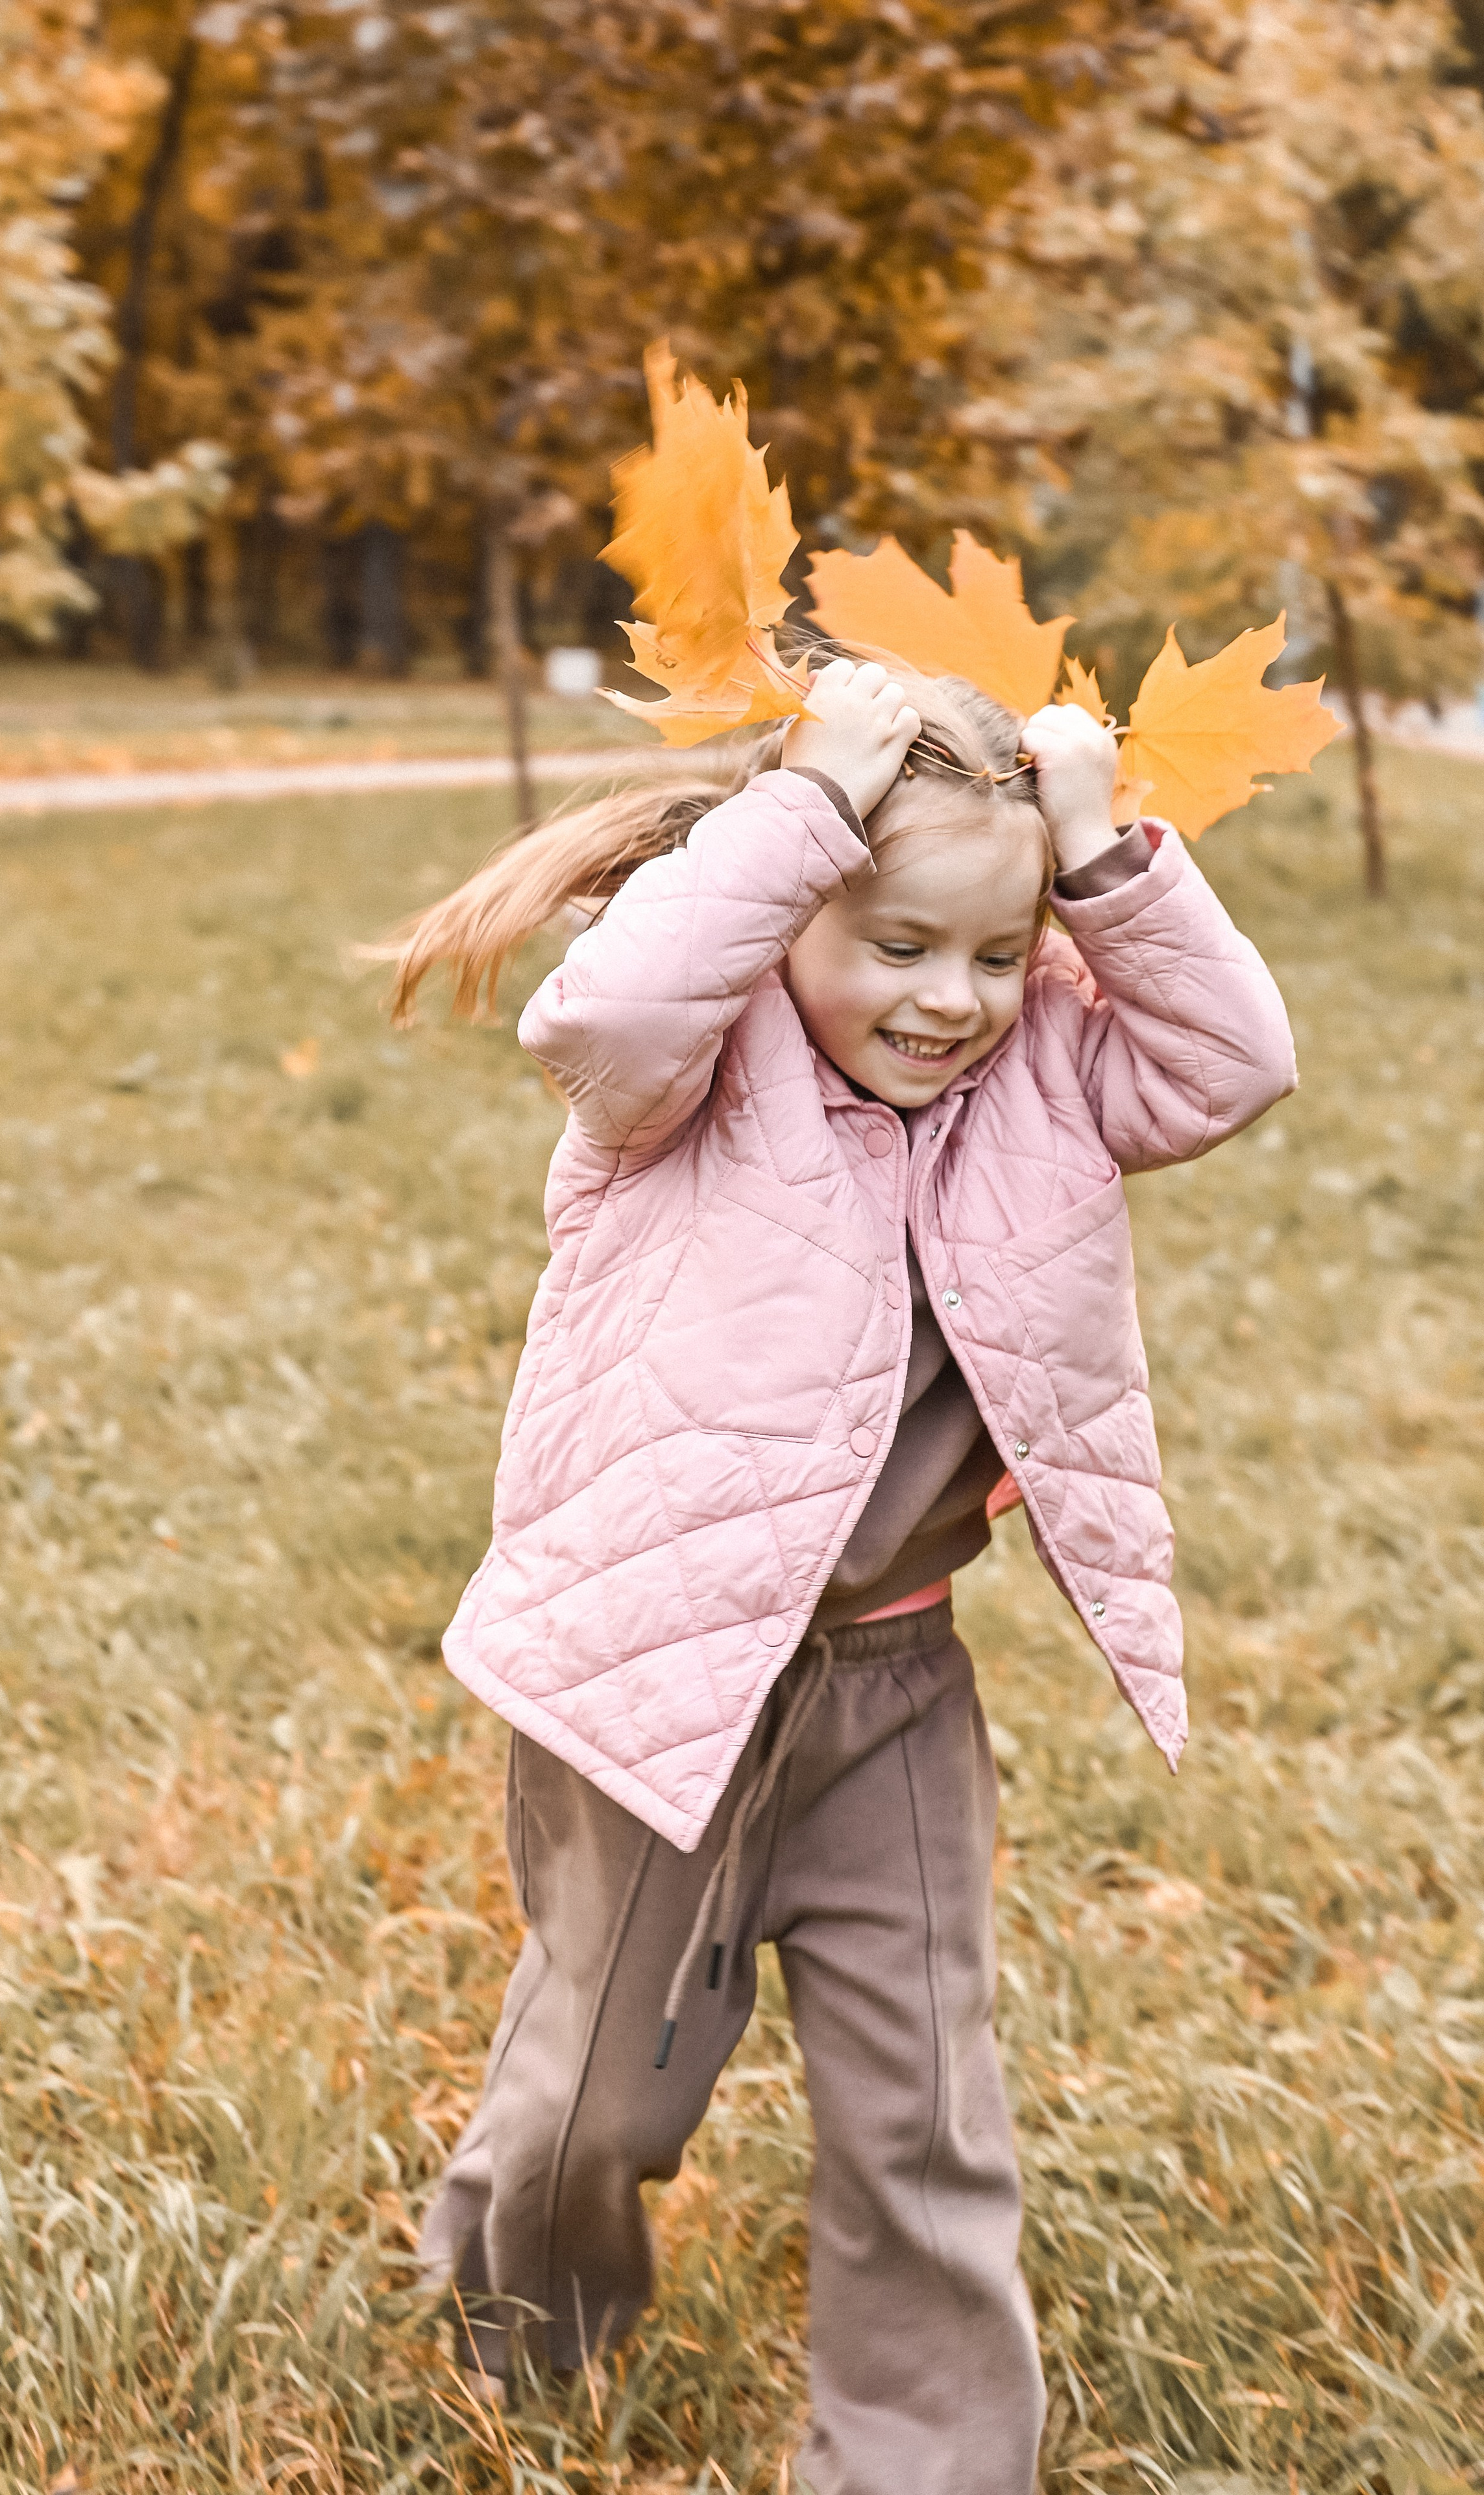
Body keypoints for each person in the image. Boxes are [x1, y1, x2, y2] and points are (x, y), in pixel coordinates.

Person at [382, 653, 1296, 2494]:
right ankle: (515, 2331)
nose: (951, 998)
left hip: (893, 1693)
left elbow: (1234, 1061)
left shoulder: (1045, 1074)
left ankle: (922, 2462)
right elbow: (601, 1005)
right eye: (896, 943)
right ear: (793, 901)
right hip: (656, 1683)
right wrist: (801, 805)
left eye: (996, 952)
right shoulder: (689, 1077)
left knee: (929, 2116)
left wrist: (1105, 859)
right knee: (600, 2103)